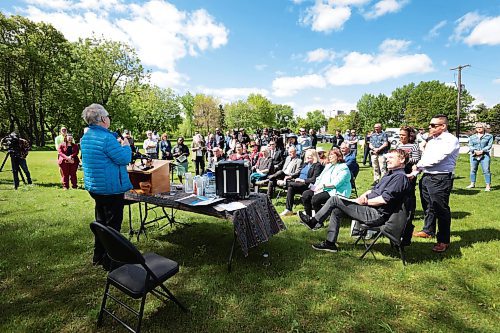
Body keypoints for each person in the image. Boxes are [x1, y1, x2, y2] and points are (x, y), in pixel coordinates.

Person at [298, 149, 411, 253]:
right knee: (336, 210)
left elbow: (384, 200)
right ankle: (330, 243)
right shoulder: (389, 174)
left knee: (334, 199)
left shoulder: (399, 177)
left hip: (376, 214)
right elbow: (372, 190)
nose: (387, 159)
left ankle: (314, 222)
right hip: (369, 208)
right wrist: (358, 199)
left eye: (391, 157)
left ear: (402, 160)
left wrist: (365, 202)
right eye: (387, 157)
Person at [80, 103, 132, 270]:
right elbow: (124, 159)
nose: (109, 119)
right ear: (102, 119)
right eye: (108, 116)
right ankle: (112, 262)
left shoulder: (86, 137)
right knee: (112, 226)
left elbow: (104, 156)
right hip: (110, 189)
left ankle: (98, 255)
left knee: (101, 223)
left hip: (95, 187)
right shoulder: (107, 138)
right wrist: (126, 146)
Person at [411, 115, 459, 253]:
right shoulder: (432, 140)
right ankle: (428, 230)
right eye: (430, 125)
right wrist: (417, 171)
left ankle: (443, 240)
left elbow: (437, 158)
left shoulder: (450, 140)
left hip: (440, 178)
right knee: (428, 206)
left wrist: (418, 166)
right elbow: (426, 157)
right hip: (427, 176)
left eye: (433, 125)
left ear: (443, 126)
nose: (429, 127)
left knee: (440, 209)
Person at [300, 148, 351, 217]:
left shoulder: (343, 168)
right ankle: (308, 217)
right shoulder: (328, 166)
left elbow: (336, 184)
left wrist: (322, 187)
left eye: (332, 154)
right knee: (306, 194)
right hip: (323, 189)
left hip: (336, 191)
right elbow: (319, 178)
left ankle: (318, 220)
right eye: (329, 154)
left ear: (338, 156)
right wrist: (315, 186)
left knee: (315, 199)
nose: (329, 156)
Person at [280, 149, 323, 216]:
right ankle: (289, 209)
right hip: (299, 184)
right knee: (291, 188)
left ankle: (285, 183)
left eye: (310, 156)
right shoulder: (305, 164)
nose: (307, 157)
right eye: (307, 156)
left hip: (308, 185)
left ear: (314, 156)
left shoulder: (317, 165)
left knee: (291, 184)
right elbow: (299, 173)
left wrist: (303, 180)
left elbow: (314, 179)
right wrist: (291, 176)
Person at [467, 122, 493, 191]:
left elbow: (489, 145)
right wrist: (474, 150)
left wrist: (483, 151)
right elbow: (470, 145)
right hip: (474, 155)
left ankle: (488, 185)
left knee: (486, 170)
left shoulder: (489, 136)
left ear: (484, 128)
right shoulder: (472, 137)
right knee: (473, 170)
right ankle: (472, 184)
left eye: (480, 127)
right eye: (477, 127)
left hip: (485, 155)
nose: (478, 128)